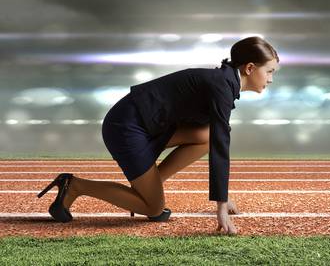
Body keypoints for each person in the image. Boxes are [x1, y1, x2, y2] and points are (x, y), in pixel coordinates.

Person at [37, 36, 279, 235]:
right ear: (249, 68)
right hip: (127, 127)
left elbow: (213, 137)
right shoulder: (221, 86)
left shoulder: (223, 82)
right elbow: (221, 146)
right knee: (153, 208)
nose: (270, 79)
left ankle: (149, 185)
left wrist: (223, 197)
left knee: (206, 135)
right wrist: (222, 206)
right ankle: (74, 186)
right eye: (269, 71)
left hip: (152, 126)